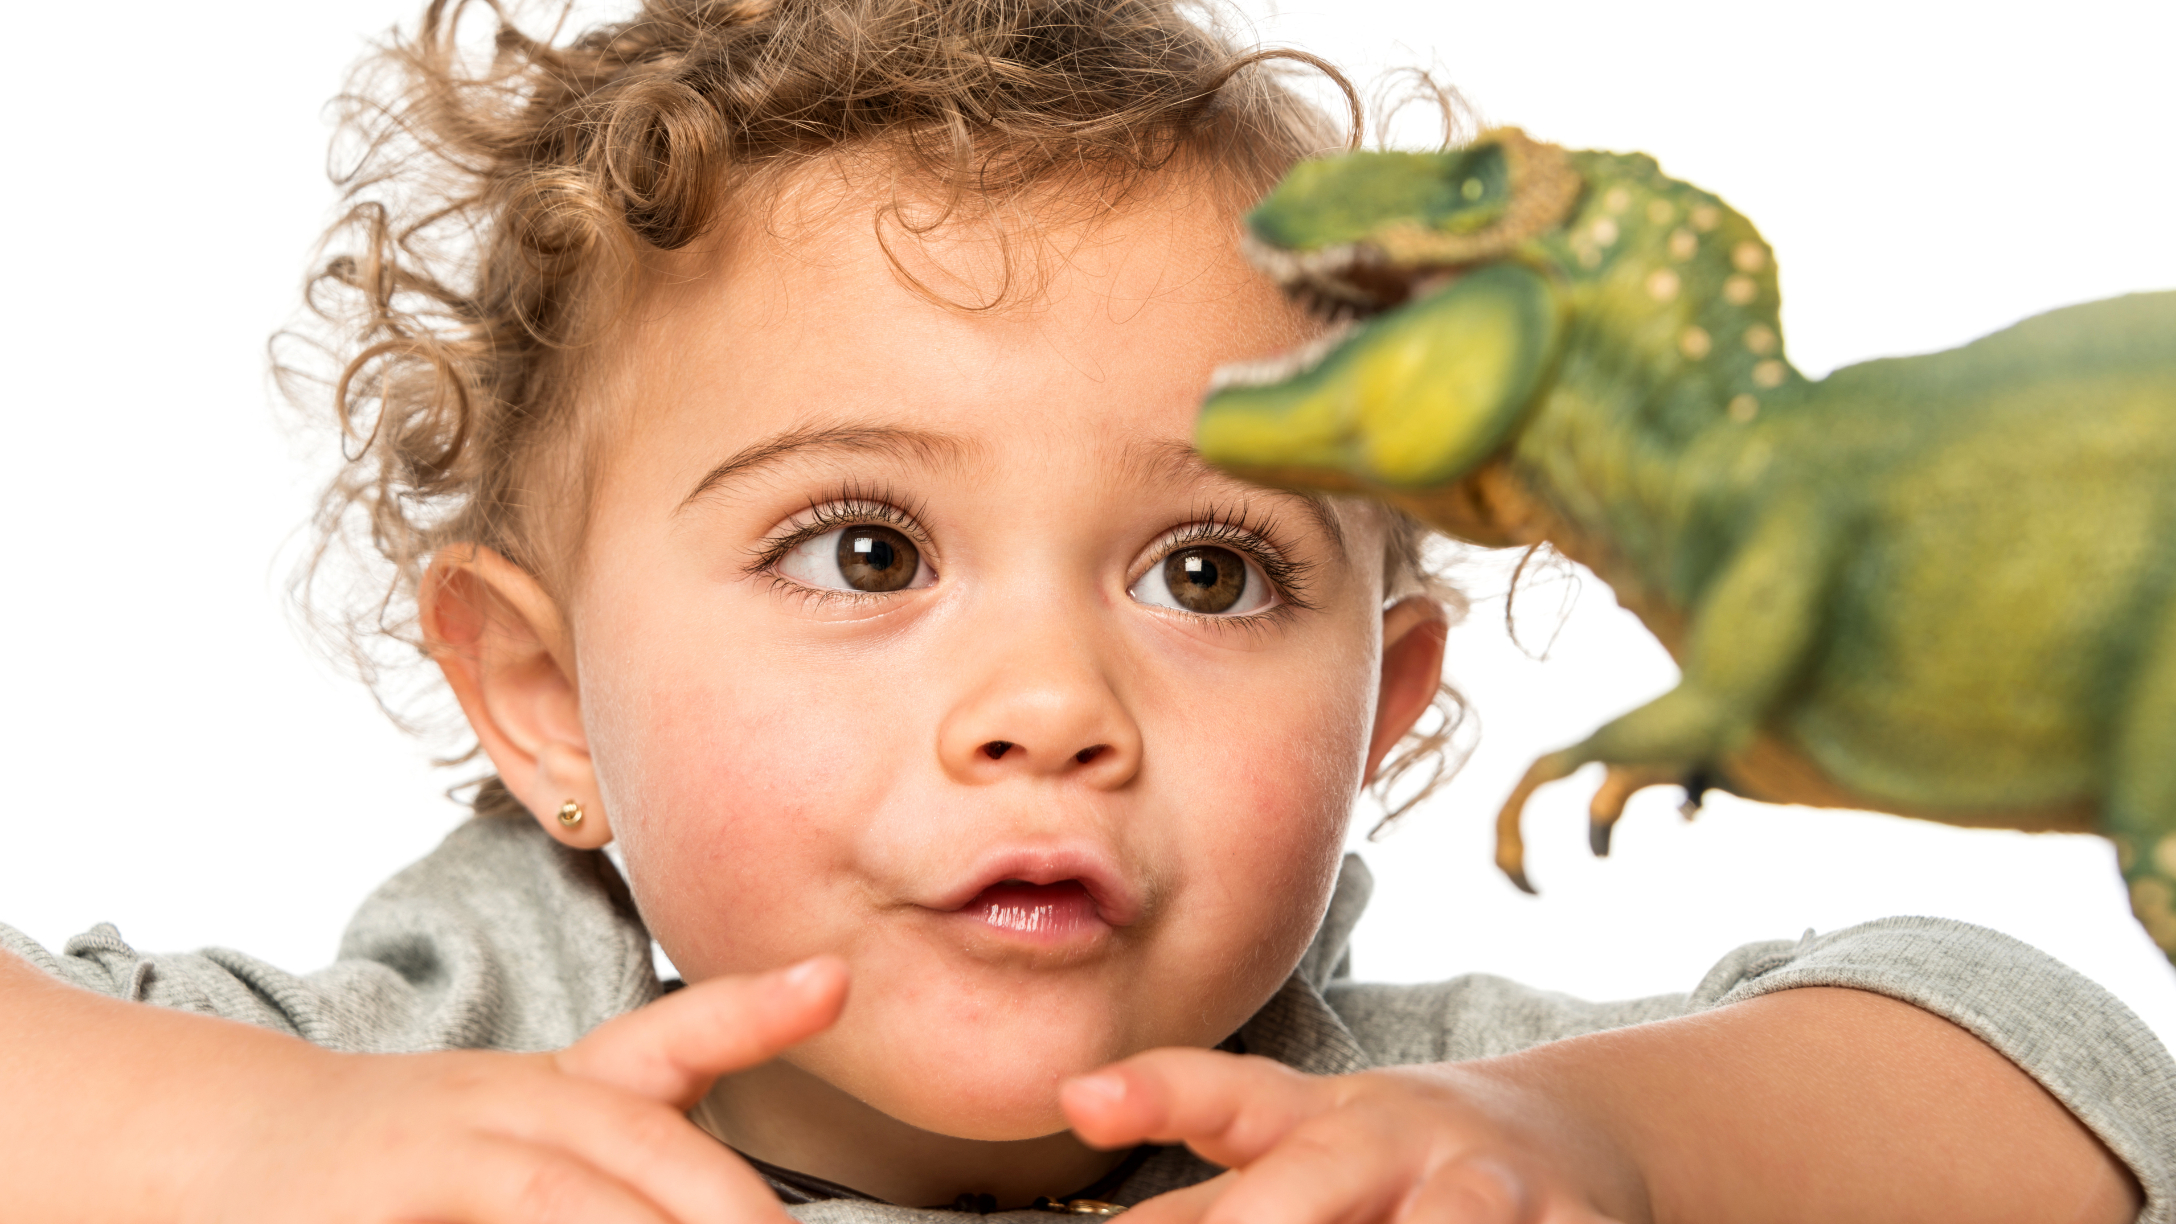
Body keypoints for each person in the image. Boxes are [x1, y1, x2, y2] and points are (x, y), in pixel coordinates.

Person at [1, 0, 2167, 1220]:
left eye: (1210, 573)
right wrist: (254, 1147)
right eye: (864, 551)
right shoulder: (411, 1092)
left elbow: (2047, 1080)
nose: (1048, 702)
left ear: (1384, 705)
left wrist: (1593, 1153)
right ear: (543, 696)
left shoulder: (1395, 1142)